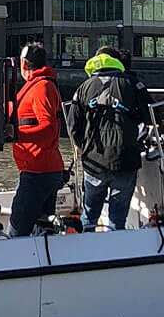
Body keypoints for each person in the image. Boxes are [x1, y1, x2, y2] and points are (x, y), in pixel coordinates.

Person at [66, 46, 152, 230]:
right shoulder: (133, 84)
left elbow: (72, 125)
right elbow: (151, 115)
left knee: (89, 216)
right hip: (125, 159)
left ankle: (88, 251)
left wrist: (81, 146)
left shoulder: (83, 87)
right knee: (117, 219)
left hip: (93, 161)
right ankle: (114, 249)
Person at [8, 43, 66, 236]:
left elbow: (48, 129)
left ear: (23, 64)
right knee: (42, 231)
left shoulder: (42, 87)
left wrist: (16, 134)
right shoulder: (37, 86)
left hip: (38, 172)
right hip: (40, 169)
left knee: (17, 231)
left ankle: (17, 263)